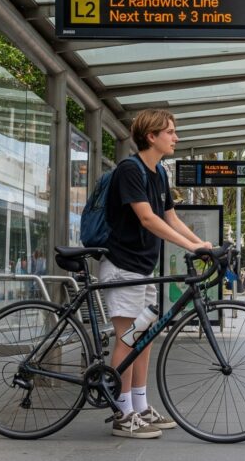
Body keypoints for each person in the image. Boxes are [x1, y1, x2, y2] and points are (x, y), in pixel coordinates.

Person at [100, 108, 213, 439]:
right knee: (128, 338)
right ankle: (123, 413)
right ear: (151, 136)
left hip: (143, 268)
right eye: (170, 132)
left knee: (144, 338)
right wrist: (192, 248)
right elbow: (149, 219)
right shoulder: (129, 171)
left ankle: (140, 405)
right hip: (123, 266)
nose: (176, 137)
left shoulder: (160, 173)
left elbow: (171, 217)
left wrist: (202, 244)